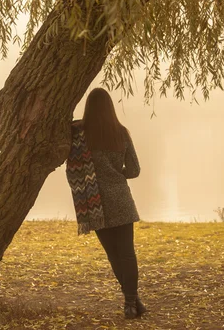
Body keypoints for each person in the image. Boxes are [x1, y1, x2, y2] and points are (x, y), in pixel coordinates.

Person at [80, 87, 146, 319]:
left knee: (114, 255)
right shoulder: (121, 133)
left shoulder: (81, 136)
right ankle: (132, 301)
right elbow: (135, 170)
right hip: (121, 200)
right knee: (127, 253)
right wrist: (118, 174)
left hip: (96, 204)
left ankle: (131, 301)